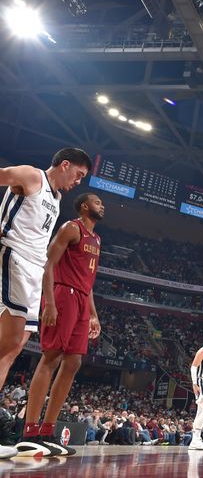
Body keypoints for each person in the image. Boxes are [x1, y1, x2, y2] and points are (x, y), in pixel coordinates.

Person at [0, 148, 91, 458]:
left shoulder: (56, 198)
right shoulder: (31, 175)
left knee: (12, 351)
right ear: (64, 165)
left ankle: (25, 435)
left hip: (34, 271)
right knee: (9, 342)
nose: (78, 182)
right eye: (78, 174)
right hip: (13, 257)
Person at [14, 193, 103, 457]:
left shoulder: (96, 239)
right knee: (51, 357)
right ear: (85, 206)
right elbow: (48, 263)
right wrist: (50, 302)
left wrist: (94, 315)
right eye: (98, 202)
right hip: (63, 294)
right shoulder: (70, 228)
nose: (103, 206)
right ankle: (29, 431)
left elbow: (89, 282)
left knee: (73, 362)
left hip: (82, 299)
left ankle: (48, 431)